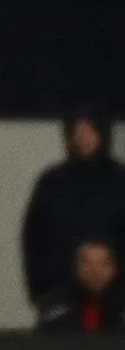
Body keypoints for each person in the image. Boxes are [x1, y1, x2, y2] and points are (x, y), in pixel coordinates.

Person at [22, 109, 125, 308]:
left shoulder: (120, 182)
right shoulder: (52, 183)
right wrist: (41, 290)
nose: (83, 138)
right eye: (77, 132)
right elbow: (34, 239)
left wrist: (109, 264)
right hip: (61, 296)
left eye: (89, 131)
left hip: (118, 300)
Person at [39, 240, 124, 333]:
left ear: (114, 269)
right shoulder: (57, 303)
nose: (95, 271)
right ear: (76, 268)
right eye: (87, 263)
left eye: (104, 263)